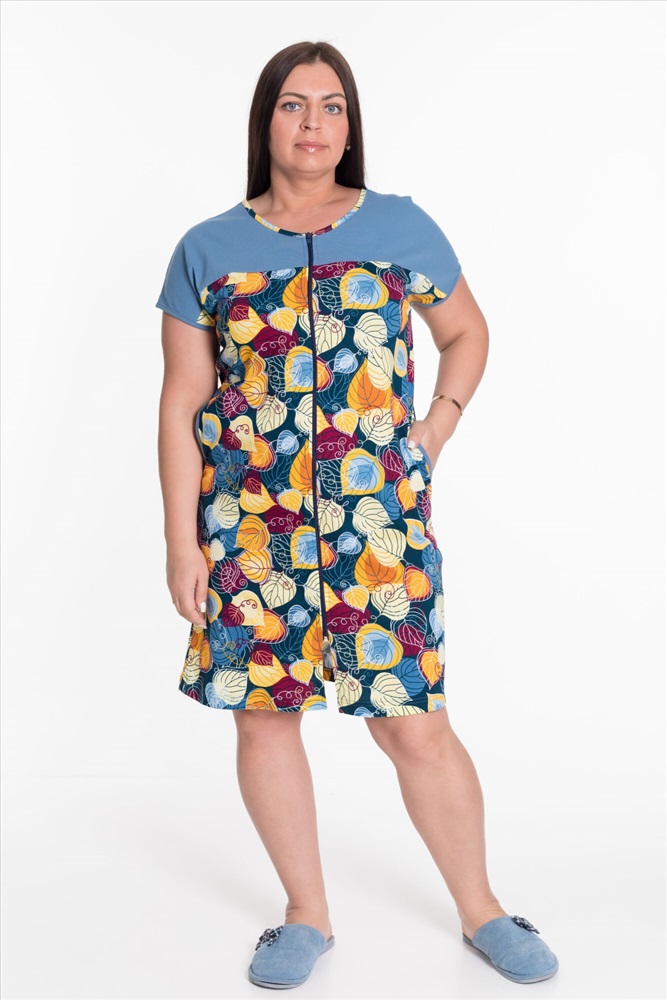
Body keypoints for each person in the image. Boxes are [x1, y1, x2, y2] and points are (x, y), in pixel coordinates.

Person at [155, 40, 559, 990]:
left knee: (412, 722)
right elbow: (180, 402)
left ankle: (482, 909)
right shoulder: (206, 248)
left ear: (350, 125)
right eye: (293, 105)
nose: (313, 124)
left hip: (379, 523)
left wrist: (434, 429)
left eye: (331, 106)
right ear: (265, 120)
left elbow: (465, 332)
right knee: (264, 719)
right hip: (251, 529)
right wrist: (181, 542)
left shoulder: (399, 226)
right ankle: (305, 915)